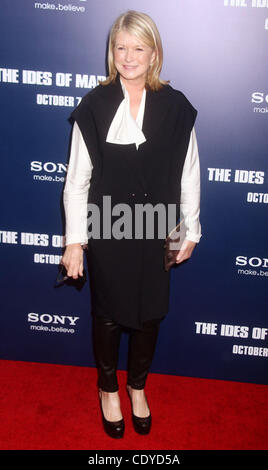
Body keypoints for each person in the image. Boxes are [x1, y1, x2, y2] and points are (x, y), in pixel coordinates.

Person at [61, 10, 201, 439]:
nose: (128, 56)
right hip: (108, 224)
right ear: (112, 51)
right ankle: (108, 390)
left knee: (150, 316)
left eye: (138, 47)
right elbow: (77, 179)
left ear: (153, 52)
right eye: (121, 47)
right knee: (107, 315)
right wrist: (74, 243)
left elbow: (189, 171)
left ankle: (137, 388)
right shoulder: (95, 105)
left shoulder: (175, 106)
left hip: (157, 223)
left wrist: (190, 229)